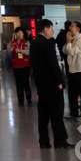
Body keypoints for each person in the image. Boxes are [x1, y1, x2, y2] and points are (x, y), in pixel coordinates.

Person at [31, 20, 69, 148]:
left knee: (43, 115)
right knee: (56, 113)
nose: (53, 31)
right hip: (52, 85)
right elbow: (53, 65)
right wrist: (60, 81)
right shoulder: (47, 44)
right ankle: (60, 141)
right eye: (52, 28)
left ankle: (44, 141)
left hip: (41, 85)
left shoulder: (35, 43)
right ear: (45, 29)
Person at [64, 21, 81, 121]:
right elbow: (64, 50)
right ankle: (74, 113)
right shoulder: (73, 39)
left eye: (72, 26)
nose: (70, 28)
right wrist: (68, 42)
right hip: (73, 70)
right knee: (72, 93)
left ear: (78, 29)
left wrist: (68, 42)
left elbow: (71, 51)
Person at [9, 27, 33, 106]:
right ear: (15, 34)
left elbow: (29, 52)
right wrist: (10, 50)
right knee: (18, 84)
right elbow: (9, 52)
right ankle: (21, 101)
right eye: (17, 33)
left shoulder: (27, 42)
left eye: (20, 33)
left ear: (23, 34)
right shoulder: (12, 42)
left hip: (25, 65)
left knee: (26, 83)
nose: (19, 34)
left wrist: (21, 51)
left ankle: (29, 100)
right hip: (16, 66)